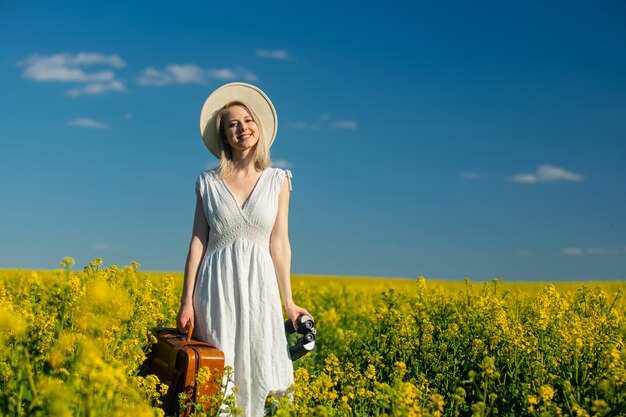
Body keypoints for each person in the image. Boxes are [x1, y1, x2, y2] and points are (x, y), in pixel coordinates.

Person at [176, 82, 312, 417]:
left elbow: (279, 242)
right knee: (219, 373)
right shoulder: (207, 183)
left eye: (248, 120)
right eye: (232, 124)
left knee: (262, 366)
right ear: (224, 136)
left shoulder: (278, 180)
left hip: (260, 286)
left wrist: (289, 301)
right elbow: (198, 241)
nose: (242, 128)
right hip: (215, 287)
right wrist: (186, 301)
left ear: (259, 127)